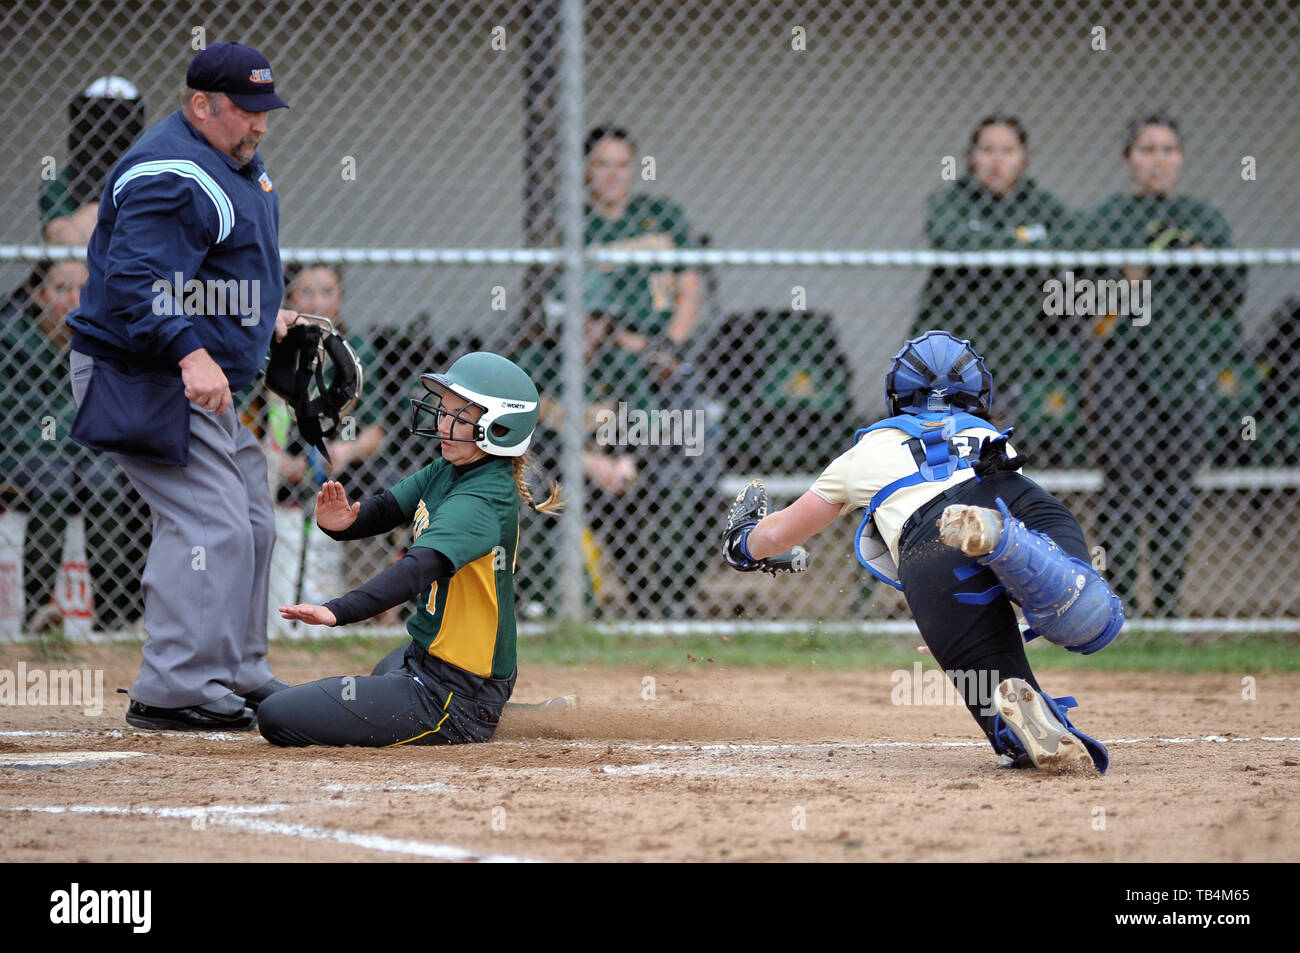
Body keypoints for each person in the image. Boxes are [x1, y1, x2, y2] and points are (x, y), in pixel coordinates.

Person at [722, 331, 1122, 773]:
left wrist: (744, 543)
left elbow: (776, 536)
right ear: (976, 390)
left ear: (897, 394)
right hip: (1007, 494)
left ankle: (1023, 721)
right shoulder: (993, 439)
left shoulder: (865, 453)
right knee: (1086, 614)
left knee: (997, 696)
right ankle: (1022, 552)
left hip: (929, 553)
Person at [65, 41, 298, 731]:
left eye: (265, 111)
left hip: (187, 374)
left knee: (252, 516)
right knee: (208, 523)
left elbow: (214, 268)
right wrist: (191, 354)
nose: (259, 124)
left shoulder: (230, 162)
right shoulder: (172, 173)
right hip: (145, 374)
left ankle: (236, 666)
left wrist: (266, 314)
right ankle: (172, 687)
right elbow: (138, 280)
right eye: (245, 111)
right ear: (201, 105)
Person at [257, 352, 564, 747]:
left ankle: (481, 718)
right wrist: (346, 522)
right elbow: (388, 508)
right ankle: (520, 717)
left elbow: (416, 570)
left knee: (276, 715)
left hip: (453, 693)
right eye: (444, 410)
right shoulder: (452, 468)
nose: (442, 423)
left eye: (460, 416)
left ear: (499, 426)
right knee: (378, 678)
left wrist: (338, 610)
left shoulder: (481, 500)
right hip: (426, 659)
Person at [1080, 114, 1247, 616]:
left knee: (1175, 488)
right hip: (1121, 367)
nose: (1158, 160)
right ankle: (1124, 603)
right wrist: (1128, 275)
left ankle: (1170, 609)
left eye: (1169, 149)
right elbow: (1076, 296)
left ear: (1181, 158)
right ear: (1128, 158)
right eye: (1147, 149)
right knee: (1124, 484)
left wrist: (1195, 256)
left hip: (1185, 366)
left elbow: (1231, 293)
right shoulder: (1109, 217)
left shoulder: (1203, 218)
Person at [912, 115, 1080, 463]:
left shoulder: (1040, 203)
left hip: (1010, 352)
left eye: (1007, 150)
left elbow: (1076, 239)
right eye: (987, 149)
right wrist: (1029, 243)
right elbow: (952, 237)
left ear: (1023, 159)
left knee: (993, 455)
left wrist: (993, 246)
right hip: (946, 351)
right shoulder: (951, 200)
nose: (996, 160)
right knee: (937, 457)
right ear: (972, 156)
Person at [0, 258, 145, 631]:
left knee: (106, 483)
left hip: (88, 452)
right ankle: (37, 611)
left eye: (84, 287)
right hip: (24, 453)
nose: (74, 299)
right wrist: (70, 431)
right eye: (62, 289)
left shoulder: (108, 343)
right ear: (38, 295)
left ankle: (112, 616)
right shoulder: (11, 343)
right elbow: (16, 422)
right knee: (53, 482)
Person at [41, 76, 148, 245]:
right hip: (85, 264)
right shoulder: (59, 179)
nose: (109, 128)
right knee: (68, 268)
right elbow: (60, 237)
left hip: (135, 264)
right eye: (98, 117)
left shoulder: (152, 178)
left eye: (120, 118)